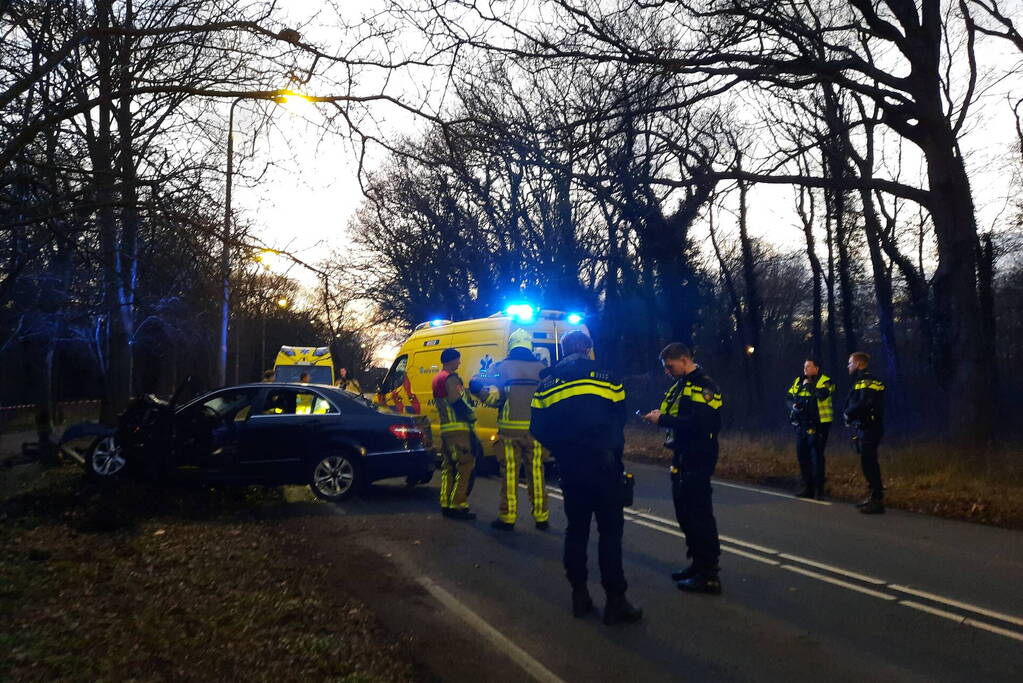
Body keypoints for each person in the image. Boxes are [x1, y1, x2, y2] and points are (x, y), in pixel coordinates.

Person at [531, 331, 642, 625]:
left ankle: (579, 595)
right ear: (588, 349)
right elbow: (621, 417)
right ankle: (616, 602)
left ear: (564, 351)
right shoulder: (608, 377)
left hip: (571, 468)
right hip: (605, 466)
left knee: (576, 532)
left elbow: (537, 427)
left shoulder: (547, 384)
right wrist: (608, 445)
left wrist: (562, 449)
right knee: (610, 535)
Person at [643, 343, 724, 595]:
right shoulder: (683, 384)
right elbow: (680, 414)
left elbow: (701, 423)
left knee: (699, 513)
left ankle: (709, 574)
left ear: (684, 359)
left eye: (670, 366)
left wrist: (663, 420)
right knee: (684, 512)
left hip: (698, 454)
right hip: (682, 453)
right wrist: (660, 415)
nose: (667, 371)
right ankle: (697, 564)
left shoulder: (703, 385)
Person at [470, 328, 549, 531]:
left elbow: (495, 399)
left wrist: (479, 391)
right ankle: (541, 517)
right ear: (529, 345)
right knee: (537, 474)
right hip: (537, 432)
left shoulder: (502, 367)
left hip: (508, 432)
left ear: (512, 345)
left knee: (510, 475)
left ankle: (508, 517)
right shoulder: (542, 368)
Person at [433, 348, 477, 520]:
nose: (459, 363)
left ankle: (447, 503)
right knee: (465, 467)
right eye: (458, 360)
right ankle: (459, 505)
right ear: (451, 360)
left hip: (446, 430)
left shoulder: (438, 378)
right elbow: (457, 401)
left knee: (448, 468)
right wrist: (471, 416)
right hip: (458, 430)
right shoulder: (450, 378)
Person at [786, 358, 835, 499]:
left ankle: (819, 490)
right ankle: (807, 487)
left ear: (817, 368)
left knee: (817, 458)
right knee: (803, 457)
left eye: (808, 366)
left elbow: (821, 395)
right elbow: (788, 398)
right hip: (801, 425)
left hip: (819, 425)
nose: (805, 369)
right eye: (804, 366)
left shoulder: (826, 381)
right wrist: (793, 406)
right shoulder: (798, 381)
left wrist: (809, 386)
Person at [844, 351, 886, 515]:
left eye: (850, 363)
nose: (848, 366)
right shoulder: (860, 381)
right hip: (865, 427)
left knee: (870, 463)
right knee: (867, 462)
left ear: (858, 364)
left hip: (871, 428)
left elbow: (864, 403)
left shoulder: (866, 382)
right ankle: (873, 496)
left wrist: (849, 413)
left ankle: (877, 500)